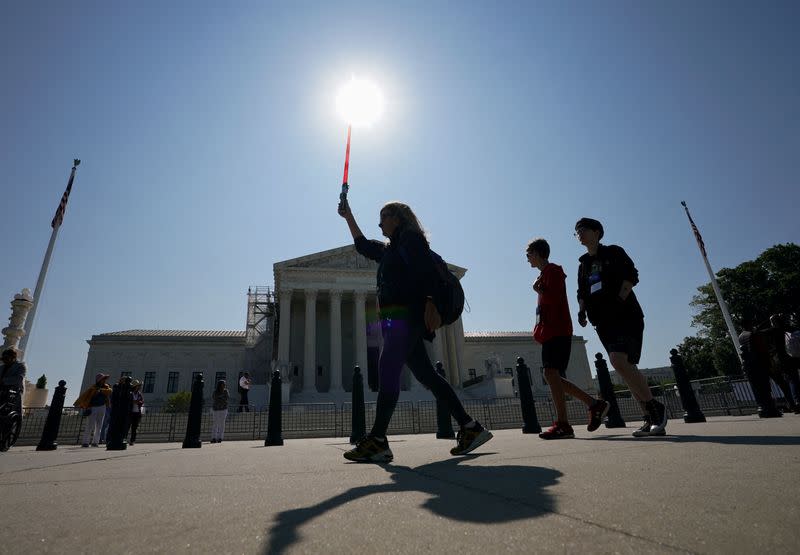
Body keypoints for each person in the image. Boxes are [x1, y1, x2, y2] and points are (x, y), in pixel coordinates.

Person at [338, 198, 492, 462]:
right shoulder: (391, 250)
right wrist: (348, 215)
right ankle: (470, 427)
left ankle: (377, 440)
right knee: (428, 376)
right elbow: (363, 246)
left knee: (388, 368)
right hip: (397, 319)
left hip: (406, 317)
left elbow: (426, 273)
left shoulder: (412, 240)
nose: (379, 222)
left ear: (398, 218)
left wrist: (431, 303)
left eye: (384, 216)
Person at [574, 218, 668, 437]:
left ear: (596, 232)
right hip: (602, 322)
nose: (579, 234)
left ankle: (656, 408)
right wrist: (581, 311)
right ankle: (649, 417)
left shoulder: (613, 252)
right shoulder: (583, 265)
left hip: (625, 315)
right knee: (623, 367)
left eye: (583, 230)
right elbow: (582, 292)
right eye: (576, 232)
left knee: (619, 361)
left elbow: (630, 276)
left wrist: (619, 300)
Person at [526, 238, 609, 439]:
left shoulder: (553, 271)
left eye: (529, 254)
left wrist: (540, 290)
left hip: (557, 330)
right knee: (551, 375)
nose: (527, 258)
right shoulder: (543, 275)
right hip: (550, 331)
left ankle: (564, 423)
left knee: (550, 373)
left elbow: (554, 297)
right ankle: (593, 404)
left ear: (538, 253)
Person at [74, 373, 112, 447]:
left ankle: (95, 442)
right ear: (99, 380)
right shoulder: (93, 388)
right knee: (90, 425)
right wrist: (83, 405)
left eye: (104, 379)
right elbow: (86, 396)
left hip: (102, 407)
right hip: (93, 407)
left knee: (99, 425)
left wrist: (101, 391)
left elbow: (110, 391)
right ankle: (85, 442)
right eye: (103, 379)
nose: (104, 381)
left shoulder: (106, 387)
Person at [0, 348, 26, 433]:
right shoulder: (1, 367)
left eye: (7, 358)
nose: (5, 361)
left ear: (13, 358)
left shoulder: (21, 366)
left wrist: (3, 381)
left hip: (13, 394)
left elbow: (18, 379)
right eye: (3, 359)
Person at [128, 379, 144, 445]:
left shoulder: (139, 394)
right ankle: (124, 438)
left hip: (137, 412)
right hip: (130, 412)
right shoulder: (130, 393)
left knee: (134, 428)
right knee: (127, 426)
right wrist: (133, 402)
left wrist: (139, 402)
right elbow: (128, 401)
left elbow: (142, 401)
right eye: (138, 386)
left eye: (139, 386)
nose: (139, 387)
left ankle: (132, 440)